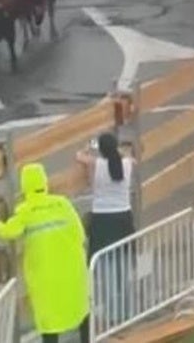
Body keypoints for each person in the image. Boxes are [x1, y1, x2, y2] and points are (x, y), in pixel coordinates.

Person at [0, 163, 88, 343]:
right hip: (71, 269)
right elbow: (79, 234)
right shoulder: (62, 203)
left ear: (25, 185)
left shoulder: (25, 211)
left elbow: (8, 232)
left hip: (44, 275)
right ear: (44, 181)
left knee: (49, 321)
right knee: (79, 310)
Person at [75, 132, 135, 335]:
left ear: (101, 149)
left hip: (103, 220)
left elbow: (78, 156)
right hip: (123, 219)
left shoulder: (97, 165)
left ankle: (112, 316)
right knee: (123, 267)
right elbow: (127, 155)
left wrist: (87, 147)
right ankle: (125, 312)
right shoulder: (126, 164)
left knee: (107, 269)